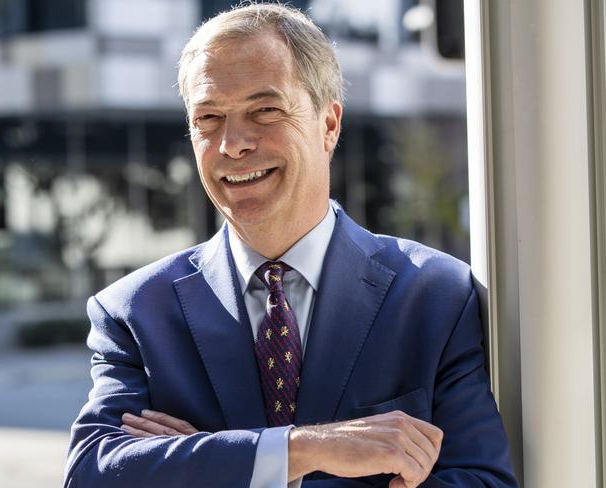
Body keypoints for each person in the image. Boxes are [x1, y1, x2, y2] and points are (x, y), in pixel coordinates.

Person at [64, 3, 518, 487]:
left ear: (328, 124)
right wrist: (304, 449)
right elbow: (94, 474)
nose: (233, 143)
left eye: (265, 110)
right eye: (209, 118)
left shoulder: (436, 295)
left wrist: (203, 463)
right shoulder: (135, 313)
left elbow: (483, 481)